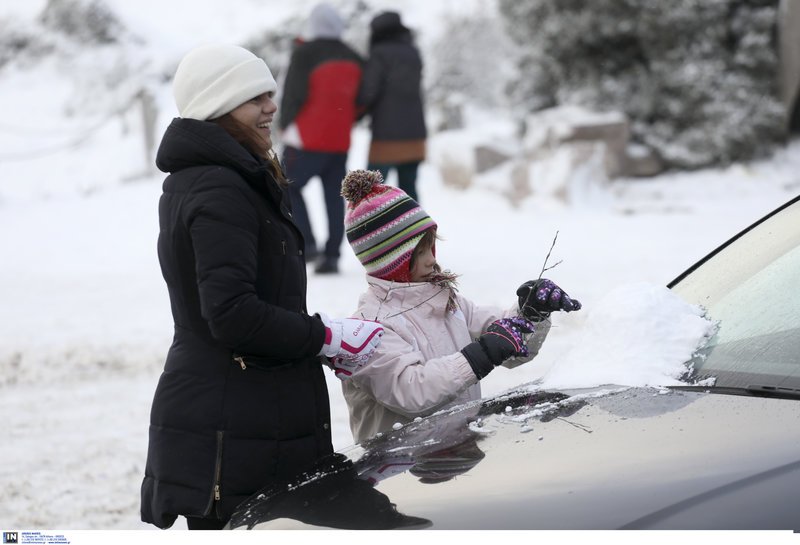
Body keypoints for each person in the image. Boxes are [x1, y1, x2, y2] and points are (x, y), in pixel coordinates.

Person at [140, 44, 384, 531]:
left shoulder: (233, 178)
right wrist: (323, 336)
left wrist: (318, 338)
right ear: (218, 105)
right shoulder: (218, 188)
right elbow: (231, 314)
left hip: (251, 412)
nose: (271, 106)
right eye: (255, 97)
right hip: (229, 424)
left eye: (269, 94)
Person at [338, 170, 582, 443]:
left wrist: (530, 313)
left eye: (433, 247)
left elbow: (508, 344)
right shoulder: (368, 329)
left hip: (456, 457)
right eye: (420, 253)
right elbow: (411, 392)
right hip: (399, 471)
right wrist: (479, 356)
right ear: (391, 261)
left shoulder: (444, 301)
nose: (432, 260)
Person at [279, 3, 364, 274]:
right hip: (339, 141)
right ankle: (332, 256)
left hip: (305, 138)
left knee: (287, 185)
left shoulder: (305, 53)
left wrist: (283, 125)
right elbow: (362, 99)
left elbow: (294, 93)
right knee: (333, 197)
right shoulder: (354, 57)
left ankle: (308, 244)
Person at [357, 11, 427, 202]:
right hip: (414, 135)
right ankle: (416, 230)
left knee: (371, 192)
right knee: (410, 191)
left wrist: (355, 112)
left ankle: (370, 230)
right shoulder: (413, 52)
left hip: (386, 136)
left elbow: (369, 92)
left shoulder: (379, 54)